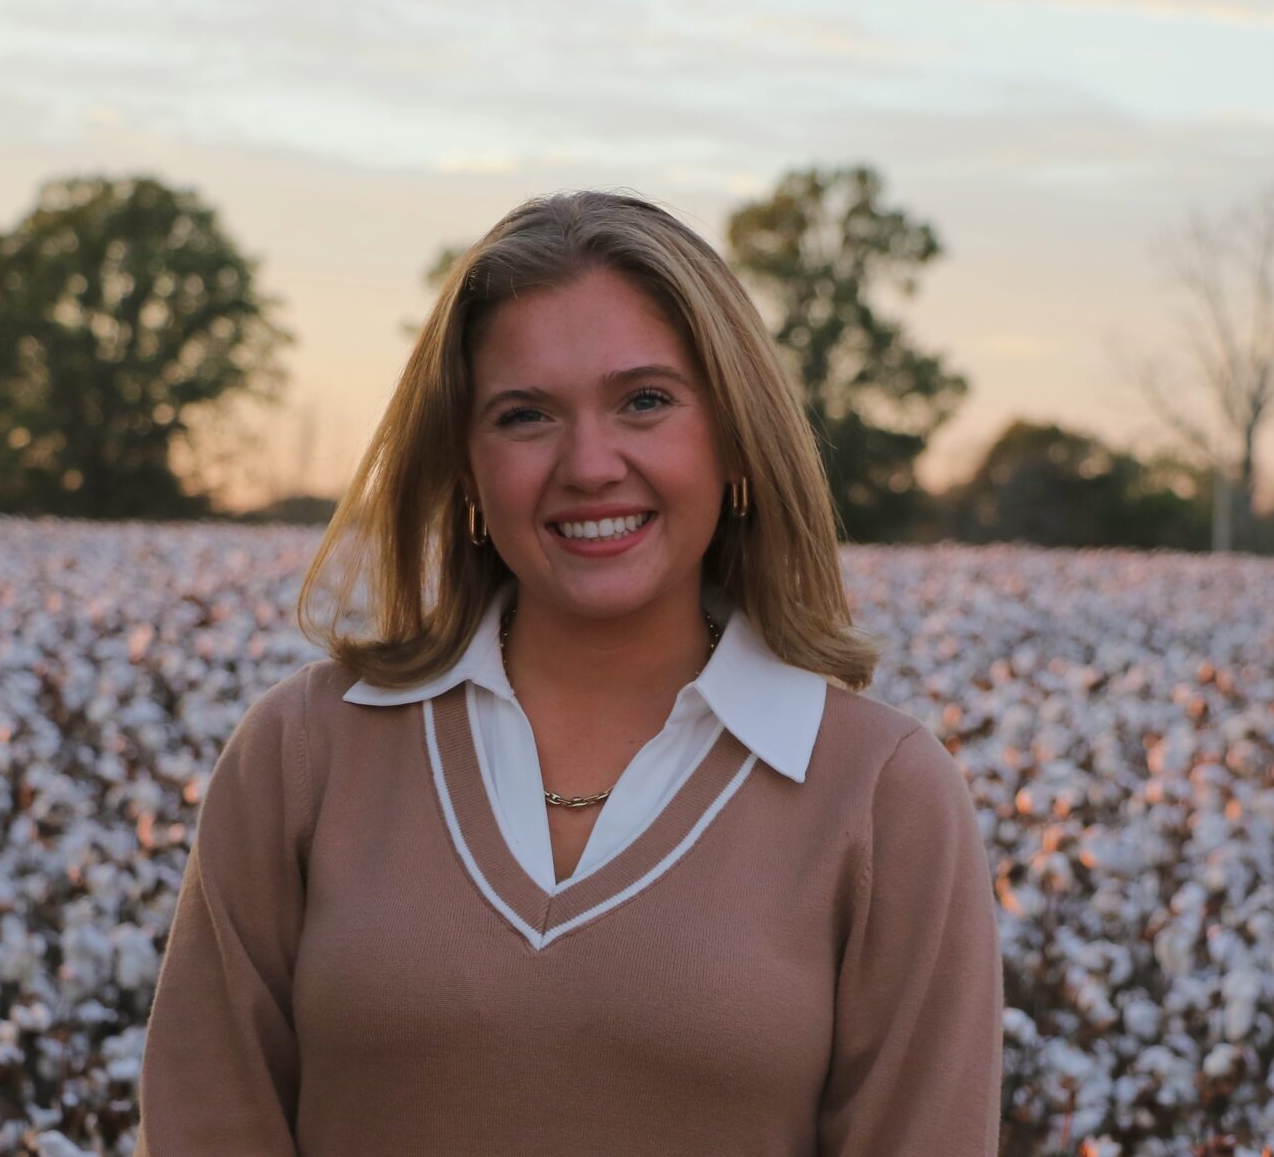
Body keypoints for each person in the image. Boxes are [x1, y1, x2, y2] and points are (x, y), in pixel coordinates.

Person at [133, 190, 1003, 1155]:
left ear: (735, 437)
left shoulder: (882, 797)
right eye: (524, 415)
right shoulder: (304, 753)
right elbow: (208, 1124)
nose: (590, 465)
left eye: (645, 400)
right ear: (464, 468)